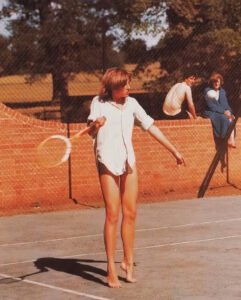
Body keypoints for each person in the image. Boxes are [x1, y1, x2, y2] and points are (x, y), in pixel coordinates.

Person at [87, 67, 185, 288]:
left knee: (130, 214)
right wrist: (95, 124)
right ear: (113, 87)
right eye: (125, 85)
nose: (129, 88)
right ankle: (110, 268)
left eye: (129, 84)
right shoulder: (98, 103)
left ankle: (127, 261)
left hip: (128, 162)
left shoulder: (132, 104)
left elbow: (151, 127)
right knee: (113, 214)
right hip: (106, 162)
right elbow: (90, 130)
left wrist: (174, 151)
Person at [204, 72, 236, 170]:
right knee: (223, 118)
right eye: (214, 82)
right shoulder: (207, 91)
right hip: (211, 112)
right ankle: (226, 139)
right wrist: (223, 112)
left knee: (232, 117)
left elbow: (225, 104)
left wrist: (228, 111)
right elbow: (211, 106)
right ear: (212, 82)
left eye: (218, 81)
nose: (216, 83)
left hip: (222, 112)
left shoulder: (222, 91)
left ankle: (231, 140)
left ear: (221, 82)